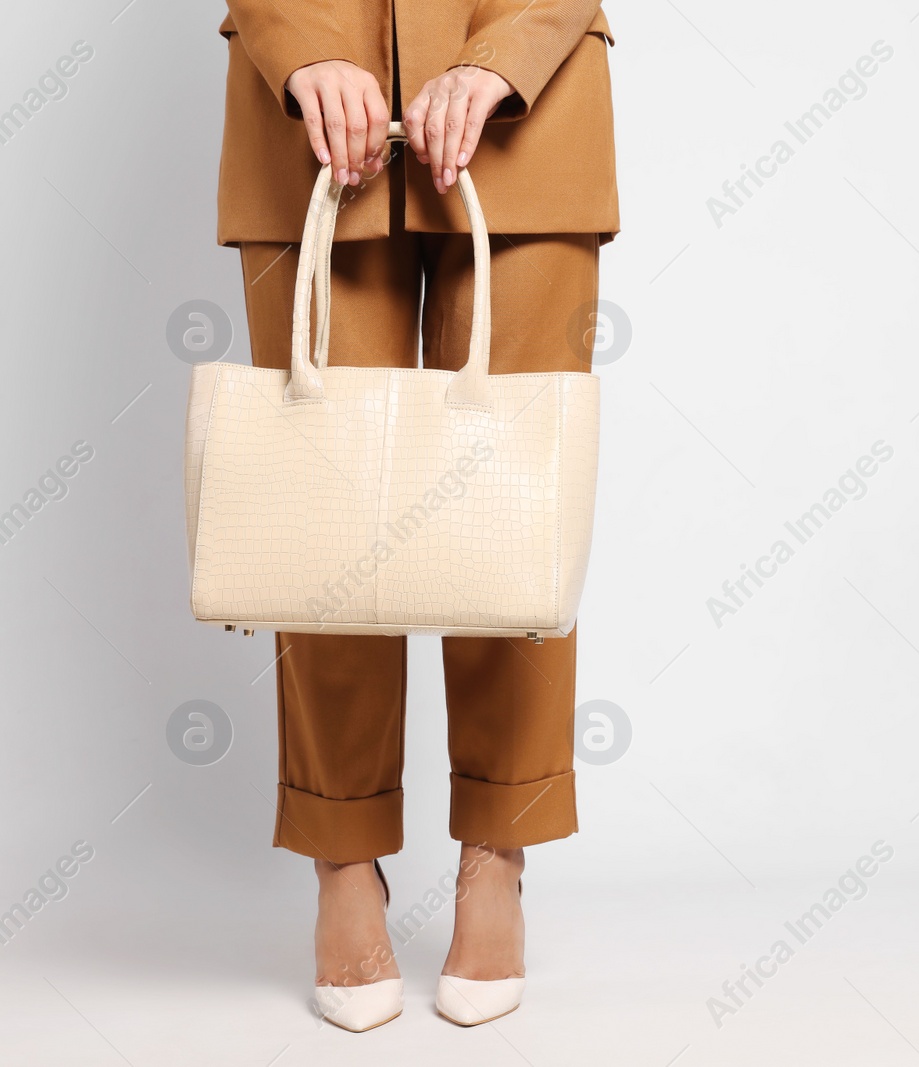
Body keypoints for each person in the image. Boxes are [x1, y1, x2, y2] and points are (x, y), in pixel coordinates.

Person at [214, 0, 619, 1032]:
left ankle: (499, 853)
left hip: (531, 111)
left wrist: (499, 56)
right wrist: (303, 48)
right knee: (325, 518)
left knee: (513, 509)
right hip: (309, 112)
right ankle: (342, 858)